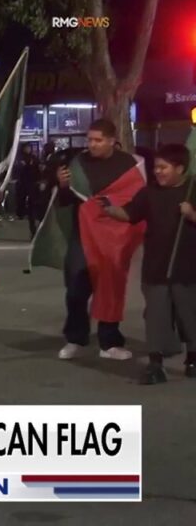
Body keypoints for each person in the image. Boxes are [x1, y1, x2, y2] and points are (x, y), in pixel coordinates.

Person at [101, 144, 196, 384]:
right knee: (156, 316)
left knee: (190, 316)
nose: (158, 172)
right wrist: (110, 210)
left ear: (180, 168)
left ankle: (192, 359)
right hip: (155, 267)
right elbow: (131, 213)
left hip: (188, 269)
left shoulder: (192, 190)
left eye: (163, 167)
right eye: (156, 167)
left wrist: (192, 214)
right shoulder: (149, 192)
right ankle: (156, 365)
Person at [53, 119, 143, 361]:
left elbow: (138, 201)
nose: (91, 145)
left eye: (98, 140)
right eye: (89, 139)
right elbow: (67, 200)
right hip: (82, 235)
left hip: (115, 237)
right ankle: (75, 338)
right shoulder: (78, 163)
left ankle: (110, 342)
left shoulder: (130, 165)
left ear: (112, 141)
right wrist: (62, 186)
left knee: (110, 288)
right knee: (75, 289)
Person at [15, 144, 42, 236]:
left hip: (32, 185)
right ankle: (21, 213)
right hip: (23, 185)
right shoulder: (20, 158)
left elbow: (37, 170)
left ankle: (33, 225)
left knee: (32, 205)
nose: (28, 149)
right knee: (23, 202)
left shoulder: (33, 158)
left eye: (29, 148)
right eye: (26, 148)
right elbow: (18, 170)